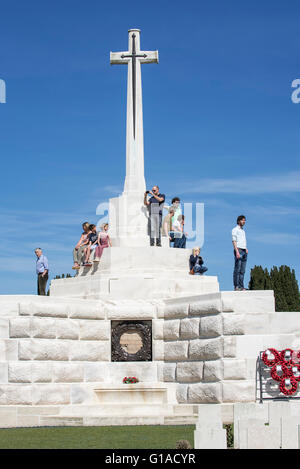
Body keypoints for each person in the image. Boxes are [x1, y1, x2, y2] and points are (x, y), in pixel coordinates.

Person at [232, 215, 248, 291]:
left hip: (244, 250)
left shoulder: (243, 231)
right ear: (238, 221)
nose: (244, 221)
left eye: (244, 220)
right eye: (242, 220)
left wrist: (246, 248)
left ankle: (241, 286)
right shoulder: (235, 230)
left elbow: (243, 241)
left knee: (242, 270)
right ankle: (236, 286)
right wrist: (237, 251)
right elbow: (234, 241)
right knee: (237, 269)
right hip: (238, 250)